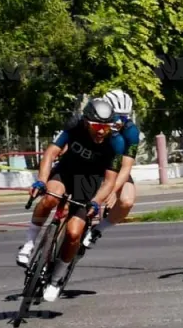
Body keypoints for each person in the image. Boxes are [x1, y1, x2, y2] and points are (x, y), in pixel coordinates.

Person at [15, 99, 125, 302]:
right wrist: (41, 180)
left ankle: (56, 278)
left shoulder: (117, 143)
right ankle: (29, 244)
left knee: (74, 234)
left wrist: (96, 201)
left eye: (106, 127)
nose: (101, 131)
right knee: (49, 199)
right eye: (97, 126)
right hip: (66, 172)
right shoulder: (74, 125)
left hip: (89, 182)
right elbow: (50, 153)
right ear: (86, 122)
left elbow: (110, 181)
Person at [80, 89, 140, 249]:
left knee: (127, 201)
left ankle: (98, 230)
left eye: (125, 117)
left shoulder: (131, 132)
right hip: (88, 162)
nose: (120, 121)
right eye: (116, 116)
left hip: (115, 167)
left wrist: (112, 190)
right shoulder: (90, 122)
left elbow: (126, 167)